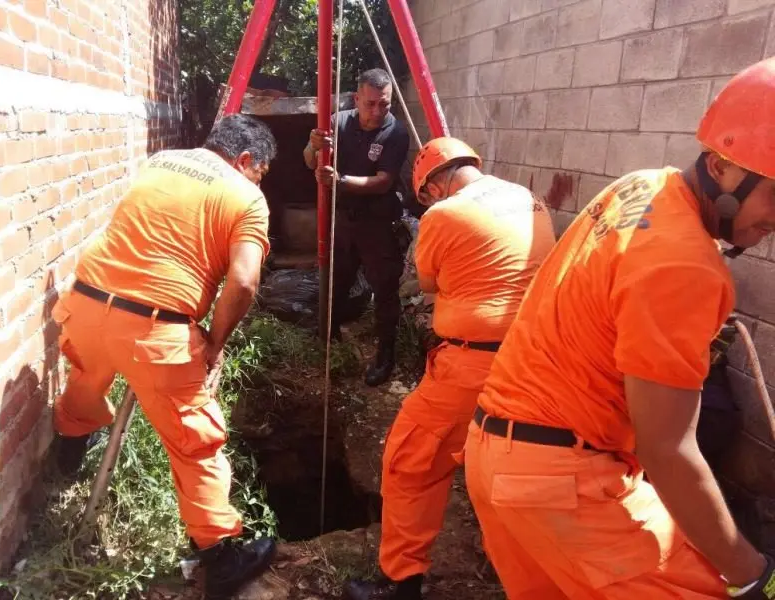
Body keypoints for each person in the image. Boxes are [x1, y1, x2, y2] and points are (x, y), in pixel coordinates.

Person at [463, 57, 775, 599]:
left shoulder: (643, 186)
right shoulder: (687, 265)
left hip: (497, 457)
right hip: (563, 484)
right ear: (723, 164)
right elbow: (669, 451)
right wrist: (753, 575)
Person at [51, 114, 278, 600]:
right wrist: (214, 343)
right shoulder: (246, 197)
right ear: (244, 161)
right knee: (194, 440)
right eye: (261, 170)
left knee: (86, 377)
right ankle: (219, 556)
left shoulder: (161, 161)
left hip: (85, 303)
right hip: (156, 331)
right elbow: (243, 281)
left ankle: (68, 451)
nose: (261, 181)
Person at [343, 138, 556, 600]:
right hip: (536, 362)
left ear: (434, 184)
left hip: (472, 363)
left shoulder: (444, 214)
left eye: (424, 196)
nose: (428, 202)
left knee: (410, 463)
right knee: (511, 466)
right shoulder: (528, 198)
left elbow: (428, 282)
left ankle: (401, 580)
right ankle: (521, 573)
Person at [303, 67, 410, 387]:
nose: (377, 111)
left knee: (385, 290)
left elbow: (383, 182)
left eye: (385, 104)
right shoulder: (337, 123)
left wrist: (341, 181)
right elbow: (310, 161)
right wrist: (312, 145)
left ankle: (385, 356)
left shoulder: (396, 133)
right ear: (357, 98)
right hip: (343, 221)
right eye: (371, 104)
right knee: (335, 280)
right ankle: (329, 339)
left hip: (378, 223)